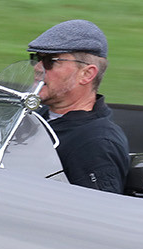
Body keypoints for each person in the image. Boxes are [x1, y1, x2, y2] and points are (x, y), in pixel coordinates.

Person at [27, 19, 130, 194]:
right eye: (36, 58)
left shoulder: (96, 143)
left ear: (86, 74)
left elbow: (97, 214)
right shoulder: (35, 116)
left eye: (50, 61)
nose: (37, 68)